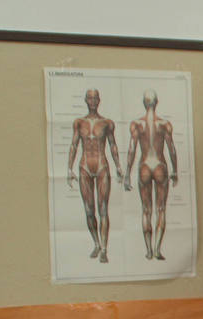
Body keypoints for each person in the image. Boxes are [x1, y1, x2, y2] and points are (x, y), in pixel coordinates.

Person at [67, 88, 122, 263]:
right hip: (84, 166)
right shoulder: (79, 122)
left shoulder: (107, 123)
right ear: (85, 100)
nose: (92, 101)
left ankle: (105, 248)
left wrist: (118, 165)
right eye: (89, 98)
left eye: (95, 98)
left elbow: (113, 145)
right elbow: (74, 145)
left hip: (101, 166)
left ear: (99, 100)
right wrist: (69, 168)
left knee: (103, 208)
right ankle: (97, 243)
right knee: (89, 210)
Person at [125, 89, 178, 261]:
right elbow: (171, 149)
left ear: (143, 102)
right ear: (156, 102)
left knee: (146, 210)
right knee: (161, 209)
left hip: (145, 165)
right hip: (160, 165)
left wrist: (127, 173)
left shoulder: (136, 124)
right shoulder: (164, 124)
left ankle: (148, 250)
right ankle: (157, 249)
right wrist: (175, 170)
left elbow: (132, 149)